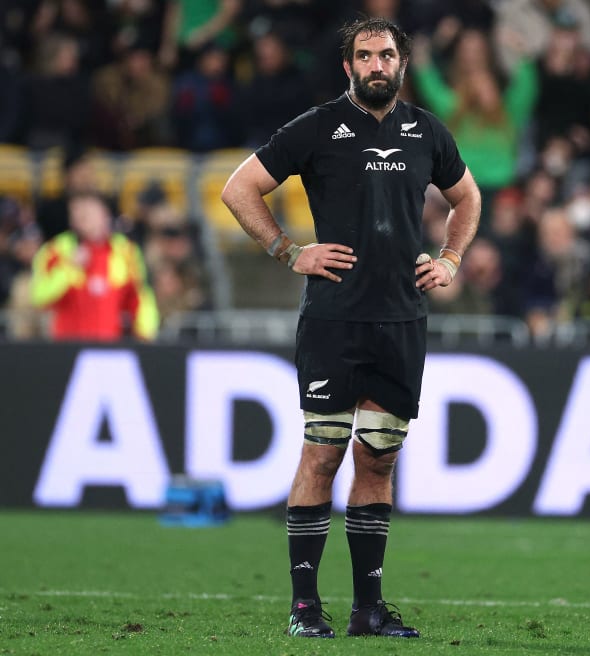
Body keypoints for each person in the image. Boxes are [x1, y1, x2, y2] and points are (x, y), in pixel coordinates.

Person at [220, 17, 481, 640]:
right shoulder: (317, 128)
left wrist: (450, 259)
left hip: (401, 320)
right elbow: (239, 189)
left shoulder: (426, 131)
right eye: (364, 55)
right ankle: (305, 607)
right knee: (322, 453)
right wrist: (290, 250)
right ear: (348, 67)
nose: (375, 65)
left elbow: (467, 198)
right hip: (334, 319)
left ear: (402, 64)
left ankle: (368, 609)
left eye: (386, 55)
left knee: (379, 461)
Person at [29, 191, 159, 341]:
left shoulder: (126, 251)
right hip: (65, 346)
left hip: (110, 346)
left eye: (87, 212)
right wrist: (68, 269)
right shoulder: (55, 250)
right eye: (76, 212)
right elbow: (39, 297)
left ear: (105, 214)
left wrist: (146, 335)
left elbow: (140, 296)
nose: (81, 218)